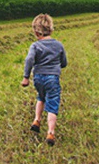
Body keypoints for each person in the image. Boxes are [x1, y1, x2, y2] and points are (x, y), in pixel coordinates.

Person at [21, 13, 67, 146]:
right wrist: (58, 65)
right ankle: (51, 133)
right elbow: (64, 62)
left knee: (41, 97)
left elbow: (29, 60)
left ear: (36, 32)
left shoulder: (35, 46)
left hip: (38, 78)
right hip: (52, 78)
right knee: (52, 103)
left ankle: (37, 120)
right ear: (51, 29)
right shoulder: (58, 45)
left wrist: (26, 77)